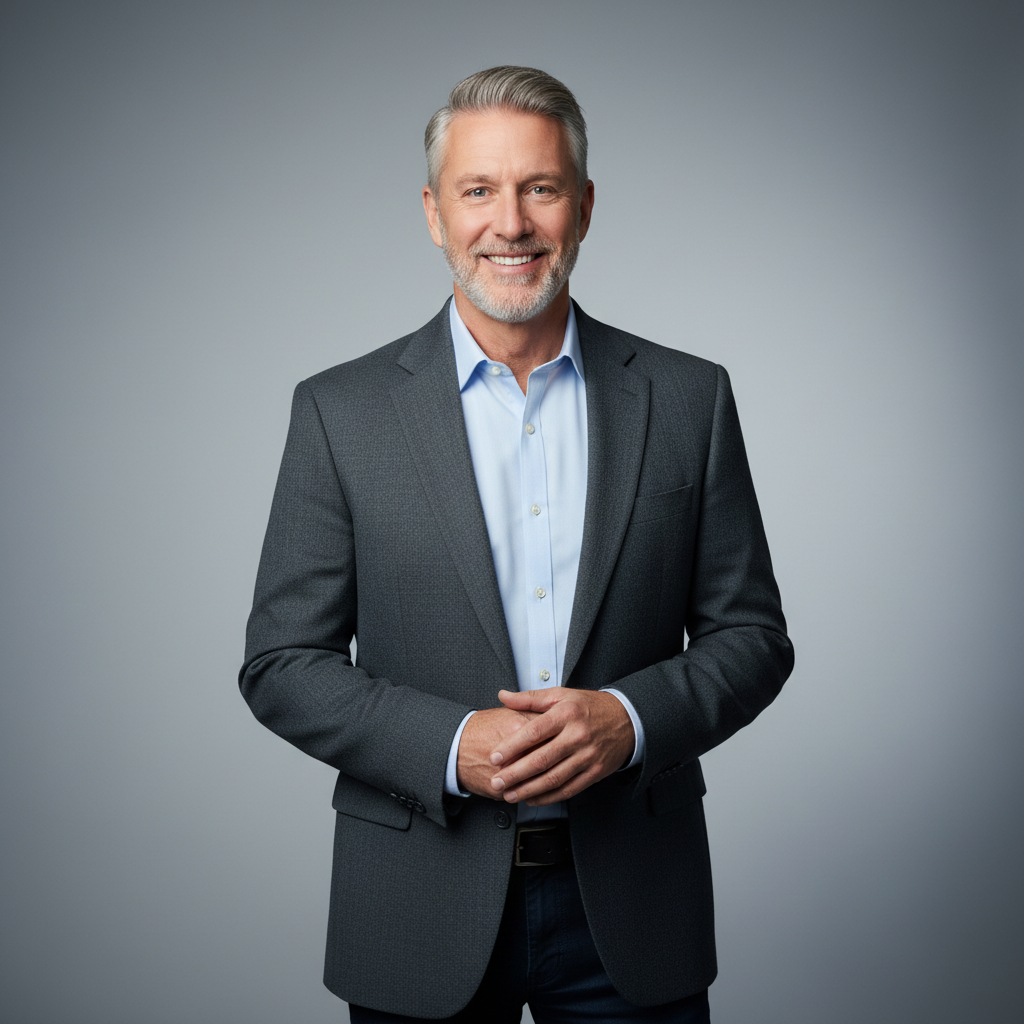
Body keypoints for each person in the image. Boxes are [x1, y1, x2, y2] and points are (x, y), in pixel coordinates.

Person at [240, 65, 793, 1023]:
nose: (511, 224)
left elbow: (753, 637)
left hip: (631, 905)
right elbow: (281, 664)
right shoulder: (340, 413)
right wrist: (453, 745)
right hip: (419, 901)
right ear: (432, 212)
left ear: (582, 207)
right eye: (478, 190)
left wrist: (631, 719)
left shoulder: (689, 399)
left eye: (539, 188)